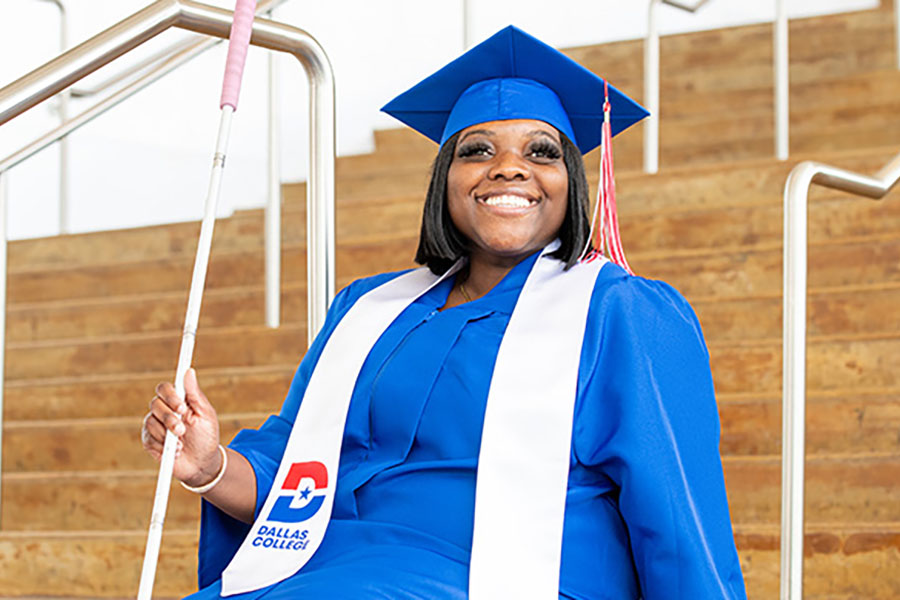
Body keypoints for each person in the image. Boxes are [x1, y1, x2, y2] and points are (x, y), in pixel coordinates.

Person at [141, 26, 748, 599]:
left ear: (574, 183)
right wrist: (207, 464)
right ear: (445, 181)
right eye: (477, 149)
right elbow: (294, 485)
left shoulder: (622, 312)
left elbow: (676, 510)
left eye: (541, 152)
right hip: (337, 569)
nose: (509, 167)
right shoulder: (367, 310)